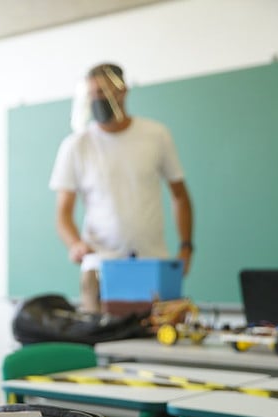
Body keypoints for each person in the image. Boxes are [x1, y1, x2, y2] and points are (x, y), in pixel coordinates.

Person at [49, 63, 194, 313]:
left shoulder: (155, 135)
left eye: (104, 92)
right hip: (100, 268)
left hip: (151, 264)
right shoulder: (76, 145)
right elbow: (63, 213)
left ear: (122, 91)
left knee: (153, 342)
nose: (98, 99)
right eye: (92, 94)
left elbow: (180, 196)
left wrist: (186, 247)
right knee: (101, 343)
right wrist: (75, 244)